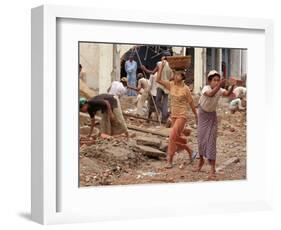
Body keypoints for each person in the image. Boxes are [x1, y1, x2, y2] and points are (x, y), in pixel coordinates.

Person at [194, 70, 236, 180]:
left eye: (218, 80)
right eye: (214, 80)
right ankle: (201, 160)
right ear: (209, 81)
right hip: (203, 115)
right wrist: (221, 85)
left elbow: (228, 94)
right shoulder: (206, 89)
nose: (216, 82)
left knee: (211, 142)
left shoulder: (220, 89)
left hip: (212, 116)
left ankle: (212, 169)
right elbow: (211, 94)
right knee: (201, 140)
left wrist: (232, 85)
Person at [156, 60, 198, 168]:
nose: (174, 76)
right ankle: (190, 151)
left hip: (182, 116)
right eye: (174, 74)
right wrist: (162, 66)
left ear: (182, 76)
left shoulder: (186, 89)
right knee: (175, 138)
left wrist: (196, 115)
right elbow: (158, 79)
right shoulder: (171, 85)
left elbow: (192, 103)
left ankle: (169, 160)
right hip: (173, 116)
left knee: (172, 136)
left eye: (177, 74)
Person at [141, 51, 173, 123]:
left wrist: (144, 69)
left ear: (163, 57)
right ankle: (165, 117)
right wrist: (167, 80)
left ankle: (165, 114)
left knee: (157, 101)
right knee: (165, 102)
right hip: (167, 85)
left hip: (160, 85)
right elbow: (172, 77)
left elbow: (152, 72)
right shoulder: (172, 65)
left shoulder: (159, 63)